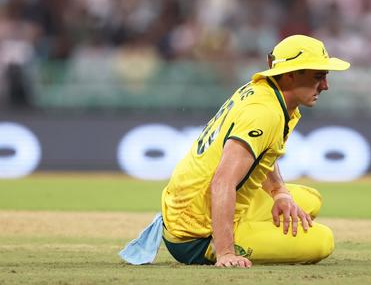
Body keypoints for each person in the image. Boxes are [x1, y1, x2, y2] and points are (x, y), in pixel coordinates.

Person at [121, 34, 349, 268]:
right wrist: (226, 253)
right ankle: (221, 243)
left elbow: (262, 153)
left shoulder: (267, 94)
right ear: (291, 75)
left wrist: (279, 191)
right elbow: (222, 181)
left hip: (193, 204)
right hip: (195, 234)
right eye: (318, 77)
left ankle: (255, 228)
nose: (325, 86)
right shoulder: (264, 113)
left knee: (310, 201)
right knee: (323, 241)